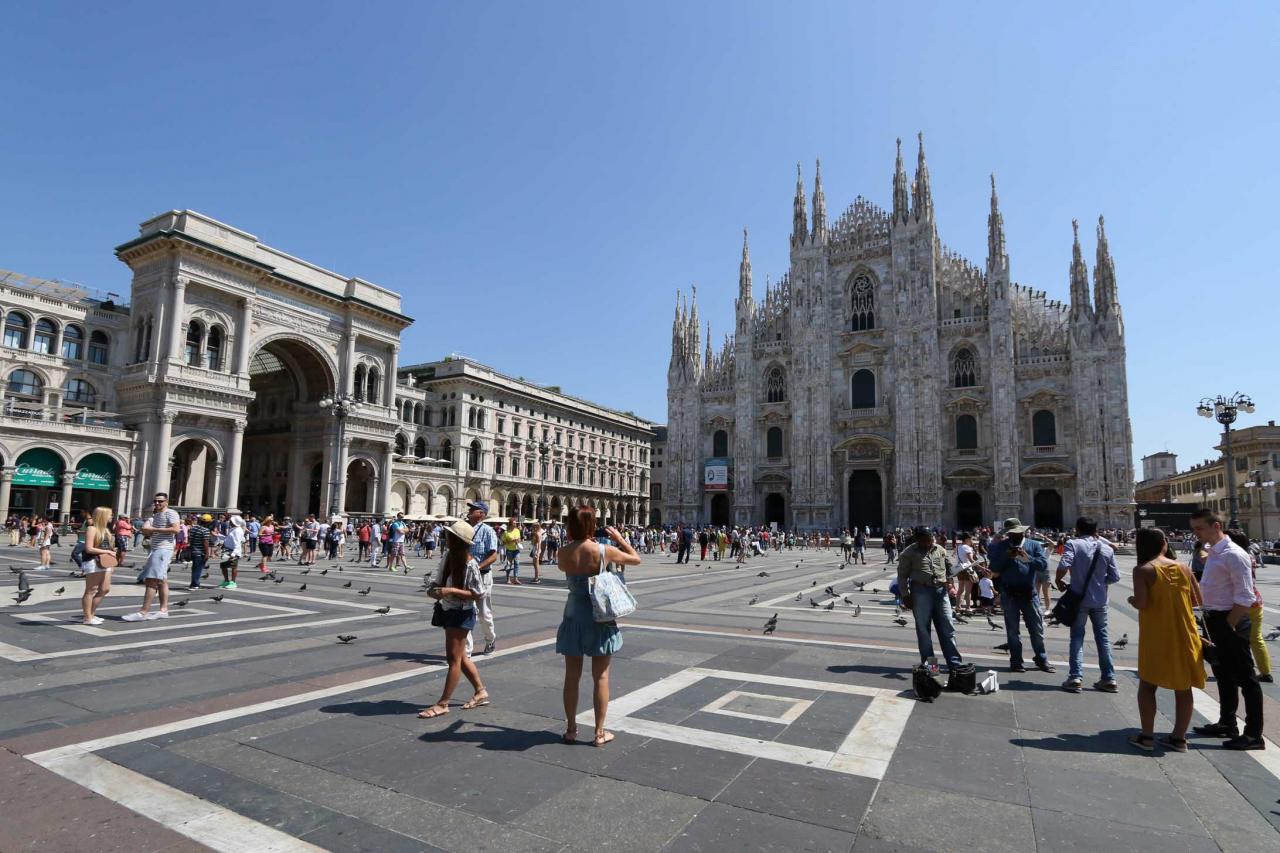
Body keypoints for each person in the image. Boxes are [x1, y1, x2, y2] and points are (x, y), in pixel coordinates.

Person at [556, 505, 640, 746]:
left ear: (570, 525)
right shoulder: (604, 551)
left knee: (571, 676)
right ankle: (599, 733)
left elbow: (566, 569)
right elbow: (636, 559)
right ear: (593, 524)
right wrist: (620, 539)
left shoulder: (563, 553)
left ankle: (571, 729)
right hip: (599, 616)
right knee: (600, 676)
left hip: (573, 614)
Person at [1189, 510, 1264, 750]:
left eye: (1200, 528)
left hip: (1230, 621)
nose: (1195, 533)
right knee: (1223, 673)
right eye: (1194, 529)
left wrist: (1228, 626)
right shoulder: (1214, 552)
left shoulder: (1234, 555)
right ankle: (1227, 722)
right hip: (1215, 620)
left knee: (1246, 678)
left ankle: (1254, 735)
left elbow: (1245, 596)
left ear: (1216, 525)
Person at [1128, 527, 1205, 751]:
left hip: (1157, 635)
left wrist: (1132, 599)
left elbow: (1142, 603)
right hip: (1185, 633)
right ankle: (1179, 739)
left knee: (1147, 685)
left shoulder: (1143, 570)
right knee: (1184, 687)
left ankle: (1147, 737)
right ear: (1164, 543)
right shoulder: (1182, 567)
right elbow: (1197, 599)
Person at [418, 520, 490, 719]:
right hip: (448, 609)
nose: (446, 537)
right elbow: (438, 580)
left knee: (453, 659)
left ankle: (443, 703)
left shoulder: (470, 564)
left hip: (462, 612)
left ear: (458, 540)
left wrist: (450, 590)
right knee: (461, 657)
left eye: (450, 535)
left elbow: (479, 593)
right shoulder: (449, 556)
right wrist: (433, 590)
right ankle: (480, 691)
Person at [1054, 516, 1120, 693]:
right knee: (1103, 638)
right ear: (1095, 531)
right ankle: (1109, 678)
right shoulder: (1106, 549)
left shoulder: (1073, 544)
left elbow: (1064, 563)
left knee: (1077, 636)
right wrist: (1099, 583)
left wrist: (1058, 579)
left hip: (1079, 600)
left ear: (1077, 529)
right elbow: (1115, 577)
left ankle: (1075, 677)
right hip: (1100, 601)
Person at [987, 518, 1055, 674]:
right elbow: (994, 568)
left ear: (1023, 531)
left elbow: (1043, 565)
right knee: (1012, 631)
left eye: (1017, 533)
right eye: (1011, 534)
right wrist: (1006, 556)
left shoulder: (1033, 545)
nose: (1014, 536)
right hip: (1009, 594)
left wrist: (1027, 558)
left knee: (1036, 629)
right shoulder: (1001, 547)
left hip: (1029, 594)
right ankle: (1016, 661)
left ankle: (1041, 658)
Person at [897, 526, 965, 673]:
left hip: (941, 591)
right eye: (925, 541)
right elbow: (902, 576)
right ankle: (931, 666)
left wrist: (963, 571)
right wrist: (906, 595)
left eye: (931, 540)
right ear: (917, 540)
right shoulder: (908, 553)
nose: (929, 543)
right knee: (924, 630)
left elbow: (950, 568)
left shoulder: (939, 549)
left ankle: (955, 664)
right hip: (920, 591)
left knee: (948, 627)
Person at [123, 493, 180, 622]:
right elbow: (145, 530)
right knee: (162, 581)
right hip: (157, 549)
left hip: (163, 549)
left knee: (151, 581)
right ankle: (163, 610)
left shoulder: (170, 513)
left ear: (166, 502)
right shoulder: (157, 515)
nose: (157, 503)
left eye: (160, 501)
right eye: (155, 501)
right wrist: (151, 529)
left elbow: (176, 529)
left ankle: (143, 612)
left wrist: (154, 529)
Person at [464, 500, 500, 656]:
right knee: (465, 611)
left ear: (481, 514)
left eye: (473, 509)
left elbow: (493, 556)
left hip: (483, 576)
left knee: (484, 613)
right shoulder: (465, 529)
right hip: (466, 577)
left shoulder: (488, 531)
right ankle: (467, 650)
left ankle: (490, 639)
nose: (469, 511)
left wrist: (477, 568)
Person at [80, 506, 115, 625]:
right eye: (110, 514)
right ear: (103, 516)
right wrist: (107, 552)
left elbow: (109, 547)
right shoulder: (92, 529)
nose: (112, 516)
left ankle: (92, 614)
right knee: (91, 590)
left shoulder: (106, 530)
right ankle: (87, 617)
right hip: (93, 561)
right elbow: (88, 548)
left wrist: (111, 559)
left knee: (105, 589)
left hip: (106, 561)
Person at [219, 515, 245, 589]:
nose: (229, 521)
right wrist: (218, 535)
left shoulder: (237, 531)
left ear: (234, 522)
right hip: (227, 550)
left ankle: (233, 582)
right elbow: (228, 538)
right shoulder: (233, 529)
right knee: (223, 566)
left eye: (231, 521)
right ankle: (226, 581)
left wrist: (233, 554)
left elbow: (237, 543)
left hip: (233, 551)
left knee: (233, 567)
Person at [187, 514, 212, 590]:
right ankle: (195, 584)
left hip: (193, 550)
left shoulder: (193, 528)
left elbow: (190, 538)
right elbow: (205, 542)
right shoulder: (205, 530)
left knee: (194, 568)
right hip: (200, 552)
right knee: (198, 568)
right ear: (208, 522)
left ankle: (193, 583)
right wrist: (207, 553)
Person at [501, 518, 522, 585]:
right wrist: (511, 541)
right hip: (509, 550)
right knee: (509, 565)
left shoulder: (517, 530)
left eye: (516, 523)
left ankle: (515, 579)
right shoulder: (506, 532)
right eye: (514, 523)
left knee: (517, 564)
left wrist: (518, 540)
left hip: (516, 550)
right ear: (510, 524)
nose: (515, 524)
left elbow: (520, 539)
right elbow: (503, 542)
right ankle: (508, 579)